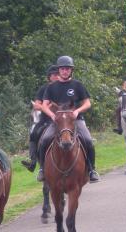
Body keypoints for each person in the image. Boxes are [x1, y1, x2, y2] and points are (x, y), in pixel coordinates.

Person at [39, 55, 100, 183]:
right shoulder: (52, 87)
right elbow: (44, 105)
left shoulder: (77, 85)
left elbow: (88, 103)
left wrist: (77, 110)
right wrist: (51, 115)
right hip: (58, 121)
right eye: (62, 69)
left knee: (88, 140)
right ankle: (42, 170)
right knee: (44, 140)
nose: (65, 71)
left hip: (76, 120)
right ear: (59, 70)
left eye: (67, 69)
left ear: (71, 70)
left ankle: (91, 170)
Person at [21, 65, 60, 172]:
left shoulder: (64, 87)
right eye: (54, 75)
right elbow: (36, 105)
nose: (57, 76)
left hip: (62, 119)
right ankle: (32, 161)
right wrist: (47, 106)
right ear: (49, 76)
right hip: (46, 120)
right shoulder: (44, 89)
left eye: (58, 74)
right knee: (33, 134)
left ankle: (88, 165)